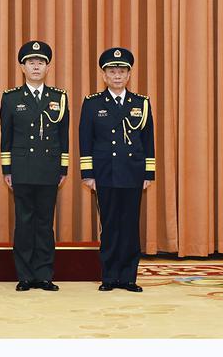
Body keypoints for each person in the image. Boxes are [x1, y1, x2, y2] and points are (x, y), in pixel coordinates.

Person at [79, 47, 155, 293]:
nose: (117, 75)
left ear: (129, 74)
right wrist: (88, 174)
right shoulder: (92, 103)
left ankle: (129, 277)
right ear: (104, 75)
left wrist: (148, 173)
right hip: (105, 174)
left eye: (122, 71)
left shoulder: (141, 103)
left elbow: (148, 140)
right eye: (112, 71)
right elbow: (85, 140)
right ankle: (110, 276)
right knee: (110, 225)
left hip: (133, 173)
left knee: (130, 225)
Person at [0, 41, 69, 292]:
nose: (36, 66)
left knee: (44, 223)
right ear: (22, 67)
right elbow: (5, 137)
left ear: (48, 67)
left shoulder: (59, 97)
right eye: (31, 62)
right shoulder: (10, 98)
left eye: (41, 62)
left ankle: (44, 274)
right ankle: (25, 275)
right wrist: (7, 169)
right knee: (24, 222)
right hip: (22, 168)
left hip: (49, 169)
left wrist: (63, 169)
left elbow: (64, 136)